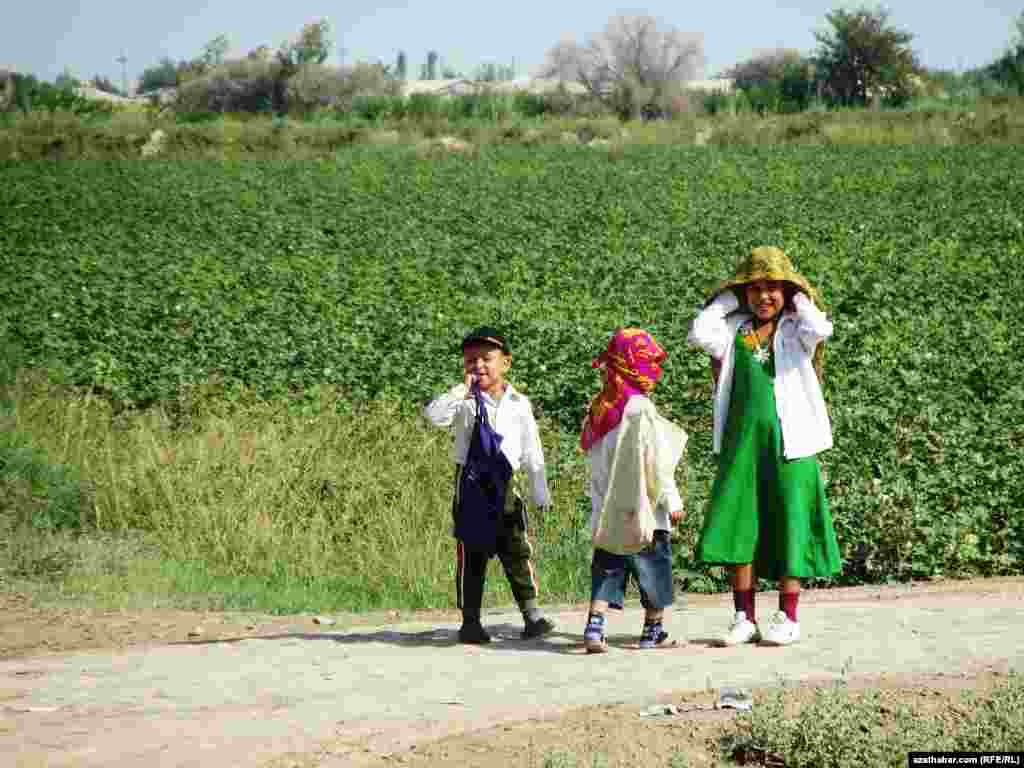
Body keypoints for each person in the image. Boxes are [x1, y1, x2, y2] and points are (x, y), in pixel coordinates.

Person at [688, 246, 841, 647]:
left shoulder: (795, 329)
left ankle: (787, 617)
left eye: (772, 288)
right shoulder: (732, 330)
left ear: (786, 293)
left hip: (793, 445)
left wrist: (799, 296)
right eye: (754, 289)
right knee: (742, 523)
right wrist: (726, 299)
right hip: (744, 446)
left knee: (790, 521)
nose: (763, 297)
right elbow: (699, 332)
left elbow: (821, 328)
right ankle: (743, 617)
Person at [423, 326, 555, 645]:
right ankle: (470, 622)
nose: (478, 365)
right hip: (470, 486)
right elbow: (434, 417)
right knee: (472, 554)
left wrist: (540, 491)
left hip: (507, 484)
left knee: (517, 550)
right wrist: (460, 390)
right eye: (470, 360)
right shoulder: (464, 403)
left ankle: (532, 615)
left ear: (505, 363)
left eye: (486, 358)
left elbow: (531, 449)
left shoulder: (518, 403)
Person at [580, 328, 687, 653]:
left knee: (608, 565)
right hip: (646, 509)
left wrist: (600, 505)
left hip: (610, 508)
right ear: (633, 365)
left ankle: (595, 627)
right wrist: (672, 499)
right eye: (648, 362)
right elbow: (655, 462)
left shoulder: (600, 408)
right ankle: (652, 631)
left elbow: (596, 463)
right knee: (654, 566)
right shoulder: (640, 408)